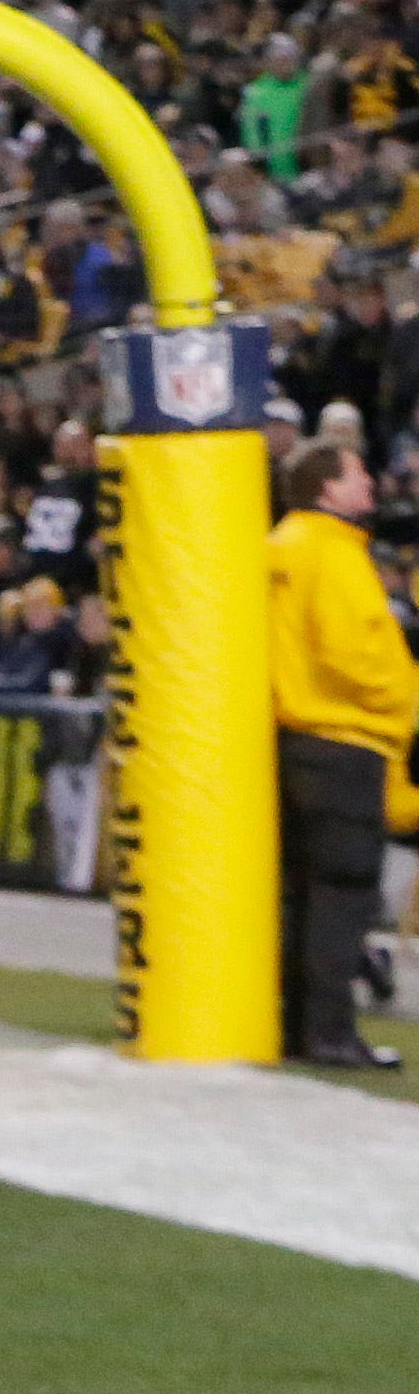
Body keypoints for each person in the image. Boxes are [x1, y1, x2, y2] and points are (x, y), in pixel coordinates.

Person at [268, 434, 417, 1071]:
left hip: (292, 739)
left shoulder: (278, 545)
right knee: (343, 895)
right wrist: (408, 698)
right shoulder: (331, 551)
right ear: (328, 486)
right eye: (357, 474)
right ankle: (329, 1033)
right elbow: (352, 649)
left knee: (302, 895)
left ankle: (295, 1027)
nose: (370, 484)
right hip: (344, 740)